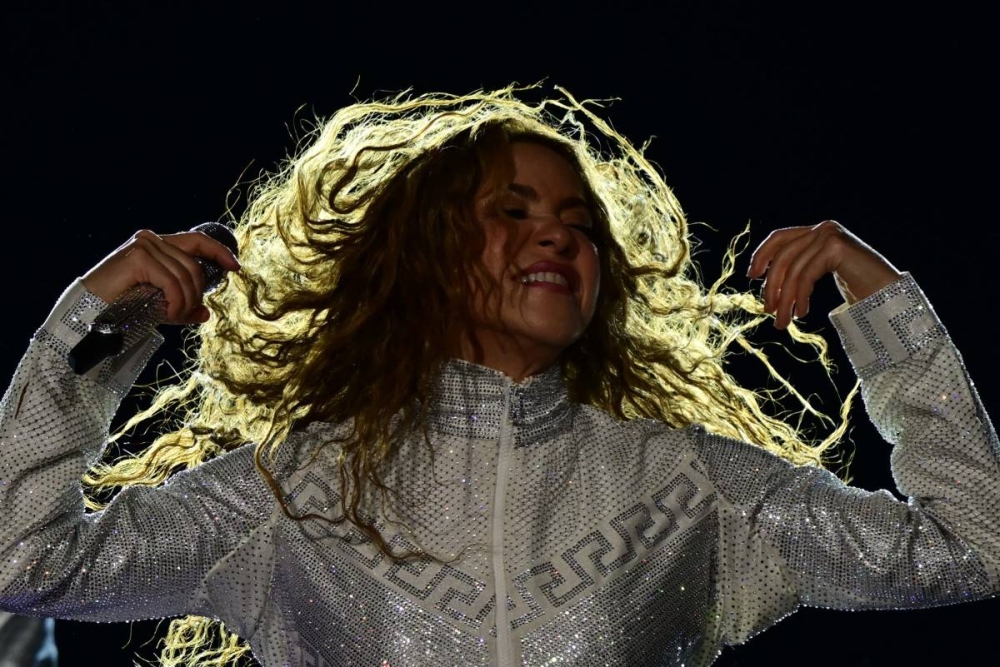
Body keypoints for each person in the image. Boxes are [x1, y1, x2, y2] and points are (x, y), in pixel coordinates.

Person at [0, 85, 997, 667]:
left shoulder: (690, 485)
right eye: (510, 212)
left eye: (576, 223)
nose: (556, 235)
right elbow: (23, 565)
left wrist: (885, 312)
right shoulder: (287, 492)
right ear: (423, 257)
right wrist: (95, 327)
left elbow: (974, 546)